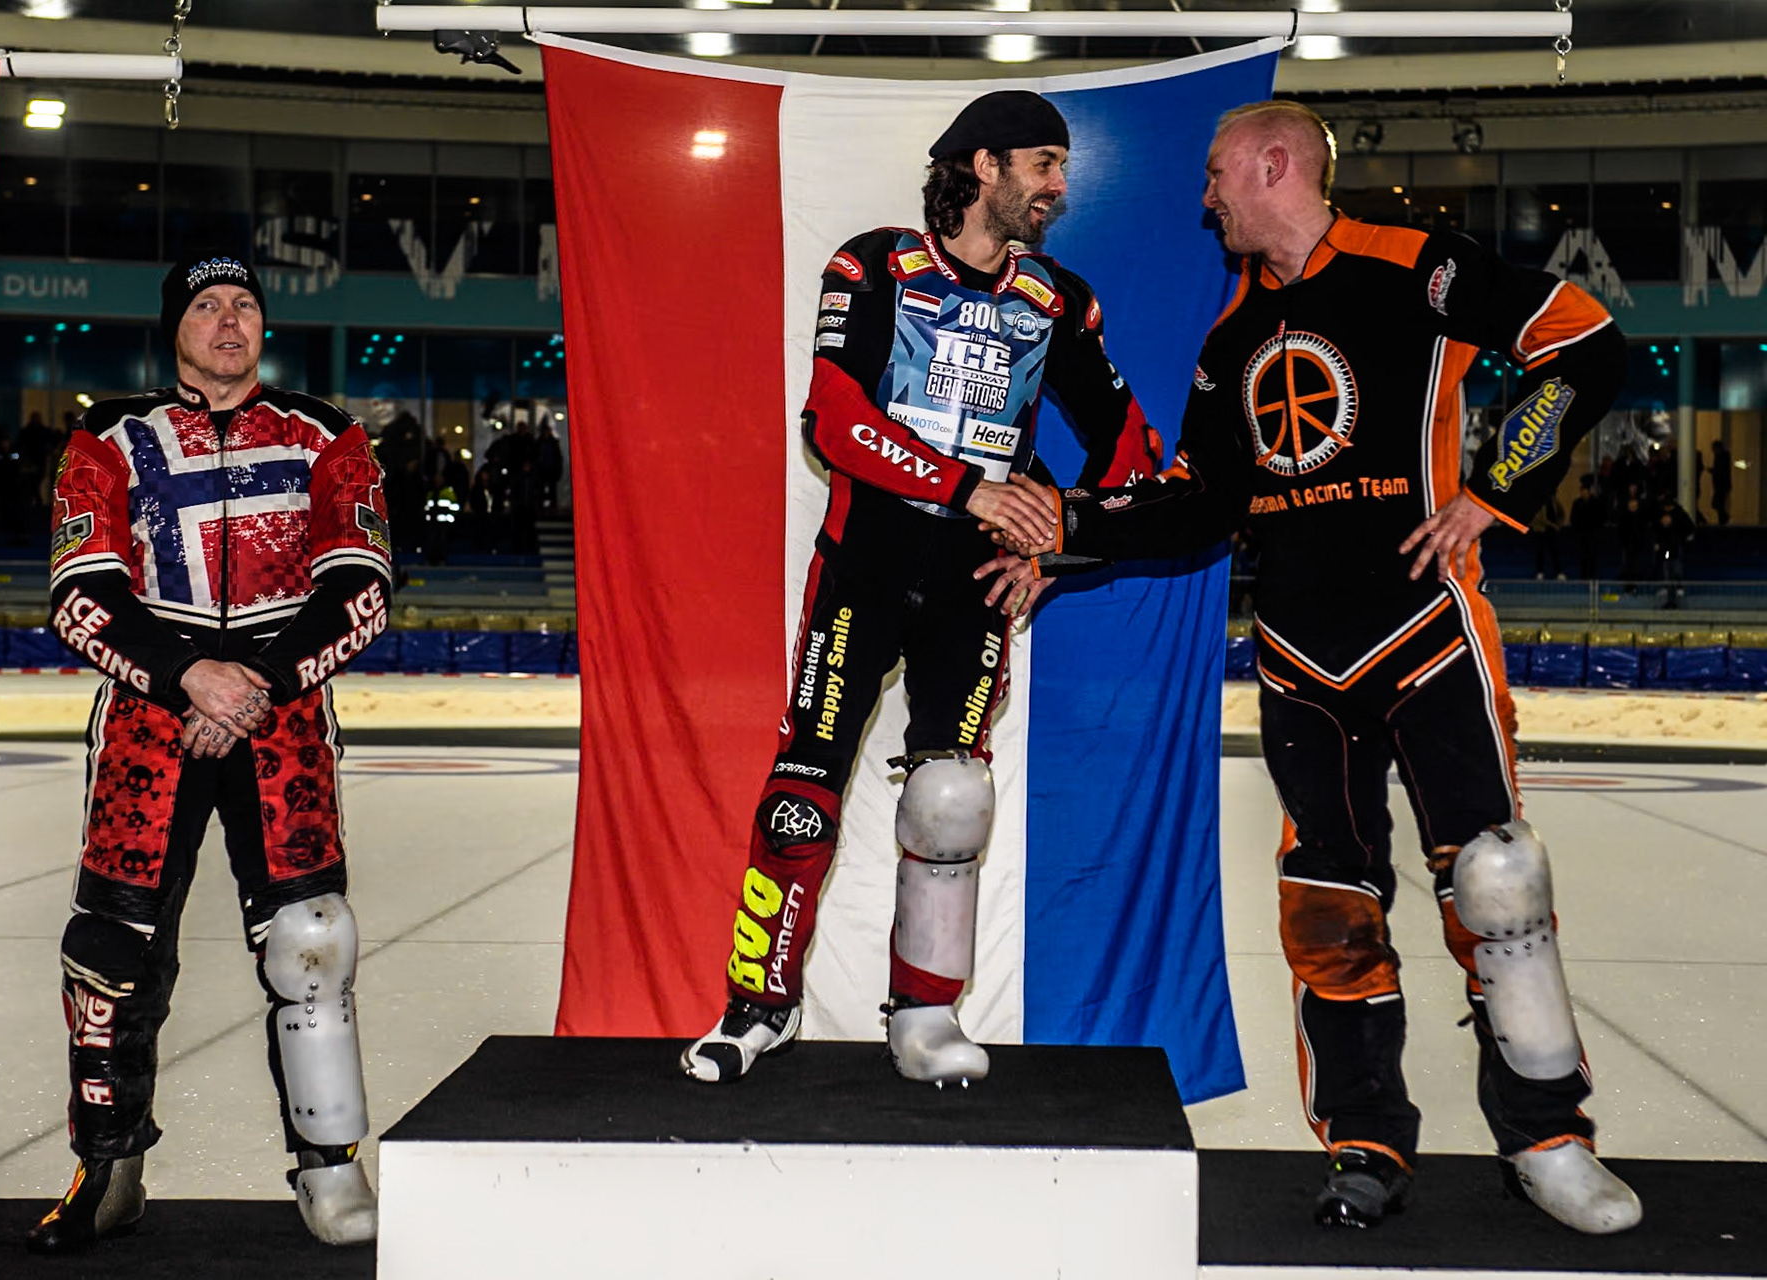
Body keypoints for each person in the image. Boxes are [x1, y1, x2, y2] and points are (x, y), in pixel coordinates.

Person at [979, 101, 1640, 1235]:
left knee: (1496, 886)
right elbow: (1198, 503)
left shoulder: (1414, 269)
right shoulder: (1232, 340)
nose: (1204, 199)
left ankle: (1547, 1139)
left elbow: (1585, 341)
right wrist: (1065, 532)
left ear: (1273, 162)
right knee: (1330, 910)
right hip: (1298, 662)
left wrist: (1496, 493)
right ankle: (1365, 1140)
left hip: (1428, 635)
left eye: (1214, 174)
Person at [680, 90, 1160, 1088]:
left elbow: (1129, 449)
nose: (1060, 187)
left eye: (1062, 166)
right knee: (802, 794)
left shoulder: (1057, 298)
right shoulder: (875, 264)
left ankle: (928, 1015)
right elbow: (833, 419)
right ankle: (755, 1007)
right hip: (864, 569)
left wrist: (1053, 546)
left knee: (951, 797)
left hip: (974, 588)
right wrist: (974, 486)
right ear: (980, 167)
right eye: (1042, 163)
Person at [29, 252, 393, 1253]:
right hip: (152, 720)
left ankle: (330, 1167)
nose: (228, 320)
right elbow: (77, 592)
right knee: (111, 951)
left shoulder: (328, 432)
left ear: (263, 328)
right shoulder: (107, 438)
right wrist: (190, 674)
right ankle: (107, 1165)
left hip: (282, 722)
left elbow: (362, 585)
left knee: (313, 941)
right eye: (206, 305)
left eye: (244, 305)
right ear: (174, 328)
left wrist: (255, 686)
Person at [1569, 474, 1604, 581]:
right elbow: (1573, 519)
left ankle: (1592, 578)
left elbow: (1601, 518)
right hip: (1581, 534)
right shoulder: (1577, 503)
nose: (1584, 493)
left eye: (1585, 490)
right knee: (1582, 557)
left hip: (1592, 534)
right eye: (1582, 491)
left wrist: (1595, 529)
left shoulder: (1596, 503)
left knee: (1592, 557)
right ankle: (1583, 577)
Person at [1709, 438, 1732, 526]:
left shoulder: (1721, 456)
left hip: (1721, 485)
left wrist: (1713, 471)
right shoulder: (1723, 456)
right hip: (1721, 485)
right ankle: (1723, 519)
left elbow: (1720, 471)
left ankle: (1724, 518)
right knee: (1719, 504)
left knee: (1719, 504)